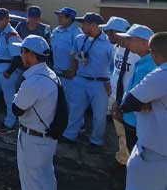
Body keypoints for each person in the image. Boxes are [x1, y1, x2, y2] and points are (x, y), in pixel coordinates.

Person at [101, 32, 167, 190]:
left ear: (156, 53)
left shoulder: (161, 74)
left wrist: (143, 104)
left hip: (155, 150)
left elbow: (130, 101)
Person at [4, 35, 59, 190]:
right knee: (46, 177)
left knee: (31, 185)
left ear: (32, 56)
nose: (20, 55)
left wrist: (17, 96)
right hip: (46, 138)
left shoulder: (34, 81)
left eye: (23, 52)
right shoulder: (50, 74)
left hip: (33, 137)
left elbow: (17, 108)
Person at [63, 13, 113, 147]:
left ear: (94, 25)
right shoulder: (79, 38)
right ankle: (70, 135)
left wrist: (110, 82)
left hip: (100, 83)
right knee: (75, 109)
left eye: (84, 23)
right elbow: (73, 55)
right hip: (80, 79)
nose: (81, 26)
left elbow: (113, 66)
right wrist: (73, 70)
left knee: (99, 115)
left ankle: (96, 140)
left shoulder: (108, 42)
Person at [112, 25, 156, 158]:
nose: (127, 42)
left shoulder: (152, 65)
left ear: (144, 43)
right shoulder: (143, 61)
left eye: (131, 39)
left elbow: (146, 99)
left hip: (139, 123)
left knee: (140, 158)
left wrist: (124, 109)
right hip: (131, 118)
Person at [102, 17, 138, 166]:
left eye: (110, 32)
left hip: (131, 100)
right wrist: (109, 82)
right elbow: (113, 68)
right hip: (116, 96)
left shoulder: (137, 53)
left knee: (131, 132)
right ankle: (123, 158)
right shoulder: (116, 48)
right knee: (120, 131)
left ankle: (132, 162)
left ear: (119, 33)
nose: (108, 36)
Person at [0, 8, 22, 132]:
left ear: (7, 19)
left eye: (0, 19)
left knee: (9, 99)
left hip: (7, 69)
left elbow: (17, 57)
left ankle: (9, 123)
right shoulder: (0, 32)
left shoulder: (11, 34)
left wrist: (9, 71)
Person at [50, 7, 81, 112]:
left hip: (70, 74)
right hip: (57, 72)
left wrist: (73, 70)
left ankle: (77, 126)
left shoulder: (76, 33)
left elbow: (77, 53)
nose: (59, 18)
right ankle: (62, 124)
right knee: (58, 100)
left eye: (62, 17)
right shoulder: (56, 31)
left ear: (69, 19)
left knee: (72, 101)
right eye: (58, 16)